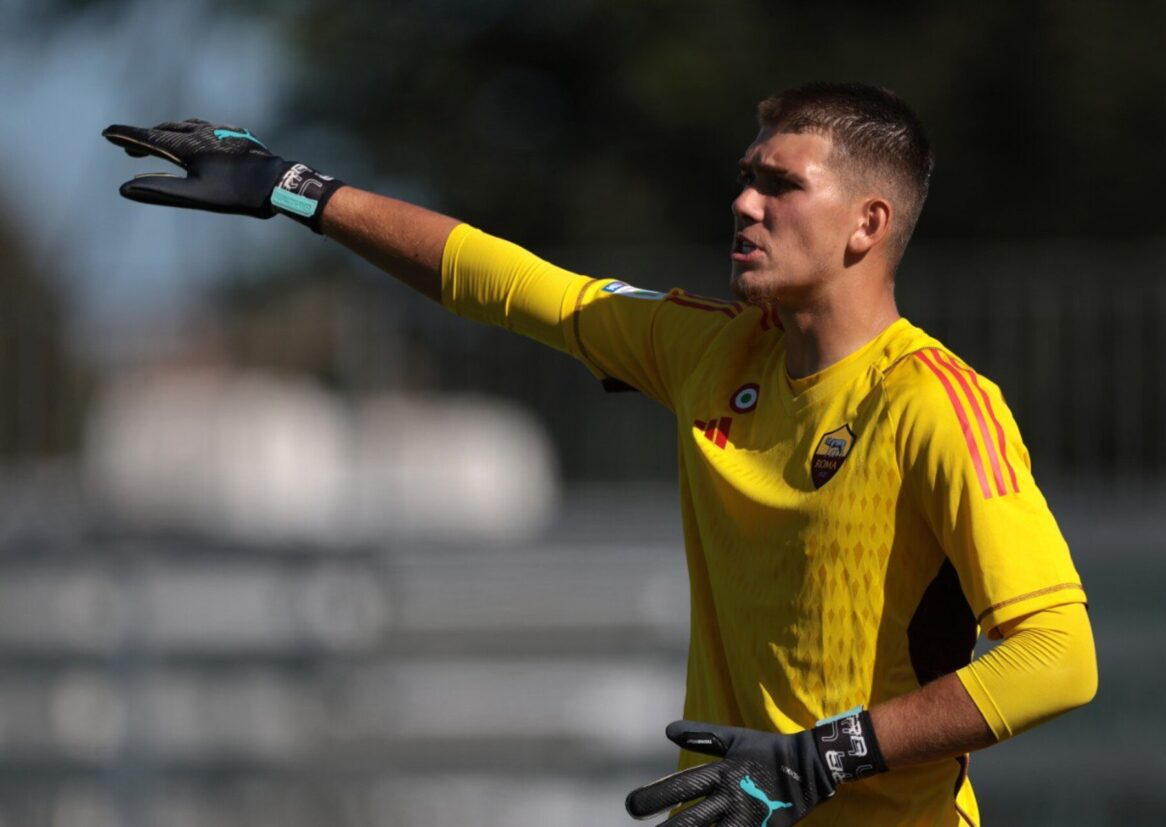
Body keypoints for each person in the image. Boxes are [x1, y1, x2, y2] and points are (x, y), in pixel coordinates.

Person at [103, 82, 1097, 826]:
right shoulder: (708, 347)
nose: (745, 205)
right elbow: (503, 280)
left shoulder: (936, 404)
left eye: (780, 185)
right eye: (744, 181)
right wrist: (296, 189)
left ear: (867, 224)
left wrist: (825, 756)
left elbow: (1058, 660)